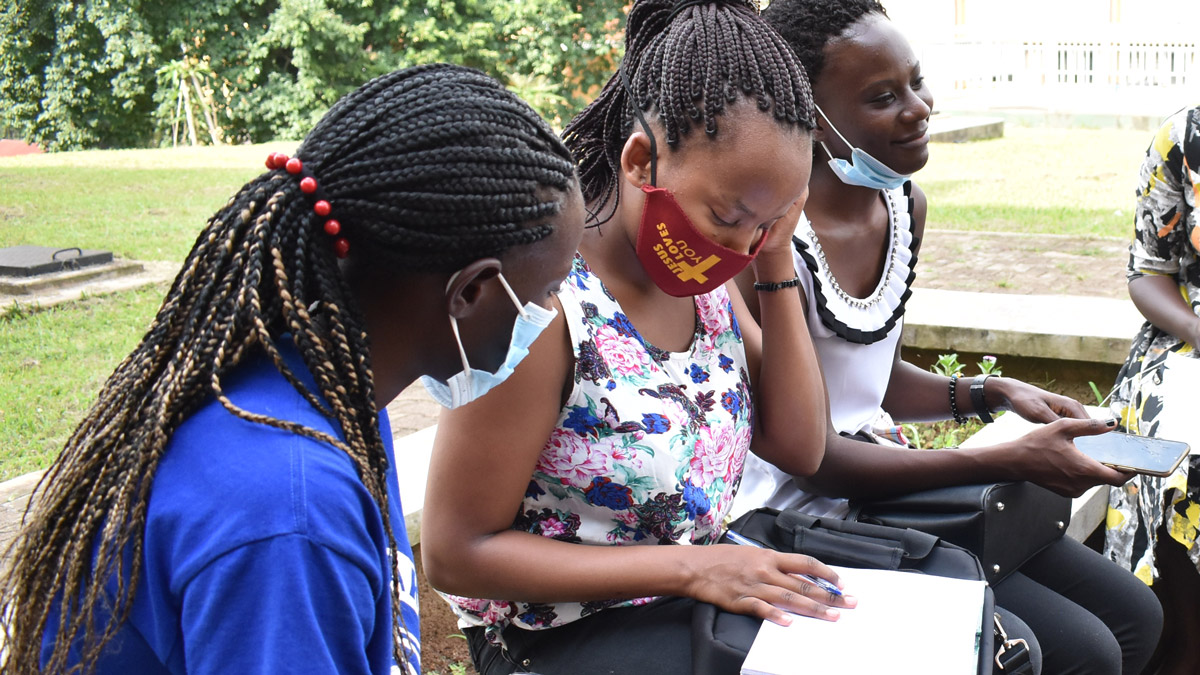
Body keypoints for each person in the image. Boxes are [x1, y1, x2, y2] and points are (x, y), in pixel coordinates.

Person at [0, 64, 585, 675]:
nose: (550, 311)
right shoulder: (288, 510)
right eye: (547, 288)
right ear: (469, 293)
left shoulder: (334, 392)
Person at [418, 2, 854, 673]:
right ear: (641, 160)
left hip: (691, 601)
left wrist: (774, 261)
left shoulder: (704, 278)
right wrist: (691, 568)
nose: (738, 244)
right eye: (729, 216)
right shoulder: (548, 305)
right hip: (557, 638)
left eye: (767, 223)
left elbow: (798, 443)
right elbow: (455, 549)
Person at [729, 2, 1164, 674]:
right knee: (1079, 650)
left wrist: (997, 391)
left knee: (1136, 616)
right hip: (799, 512)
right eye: (883, 97)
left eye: (915, 81)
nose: (918, 107)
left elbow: (876, 378)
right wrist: (1011, 458)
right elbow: (812, 453)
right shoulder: (768, 243)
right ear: (810, 117)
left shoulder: (902, 205)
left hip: (882, 484)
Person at [1106, 103, 1200, 668]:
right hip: (1189, 334)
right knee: (1175, 451)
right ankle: (1186, 646)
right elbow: (1149, 270)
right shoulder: (1184, 139)